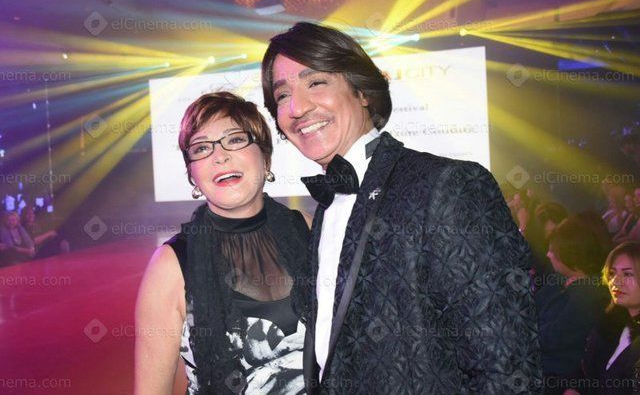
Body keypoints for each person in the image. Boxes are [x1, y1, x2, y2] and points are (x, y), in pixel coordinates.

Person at [261, 22, 542, 393]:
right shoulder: (326, 207)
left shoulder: (447, 185)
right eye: (282, 95)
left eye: (316, 82)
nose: (297, 108)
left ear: (363, 91)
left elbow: (506, 368)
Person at [134, 92, 310, 394]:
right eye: (202, 148)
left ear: (265, 156)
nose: (219, 156)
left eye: (235, 140)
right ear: (192, 175)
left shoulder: (306, 228)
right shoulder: (171, 265)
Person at [534, 216, 609, 394]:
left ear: (570, 255)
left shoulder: (589, 295)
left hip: (556, 377)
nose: (548, 254)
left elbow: (553, 338)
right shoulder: (560, 279)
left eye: (553, 251)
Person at [565, 242, 640, 395]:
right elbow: (587, 370)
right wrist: (574, 389)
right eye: (612, 273)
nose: (615, 281)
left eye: (627, 274)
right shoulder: (611, 321)